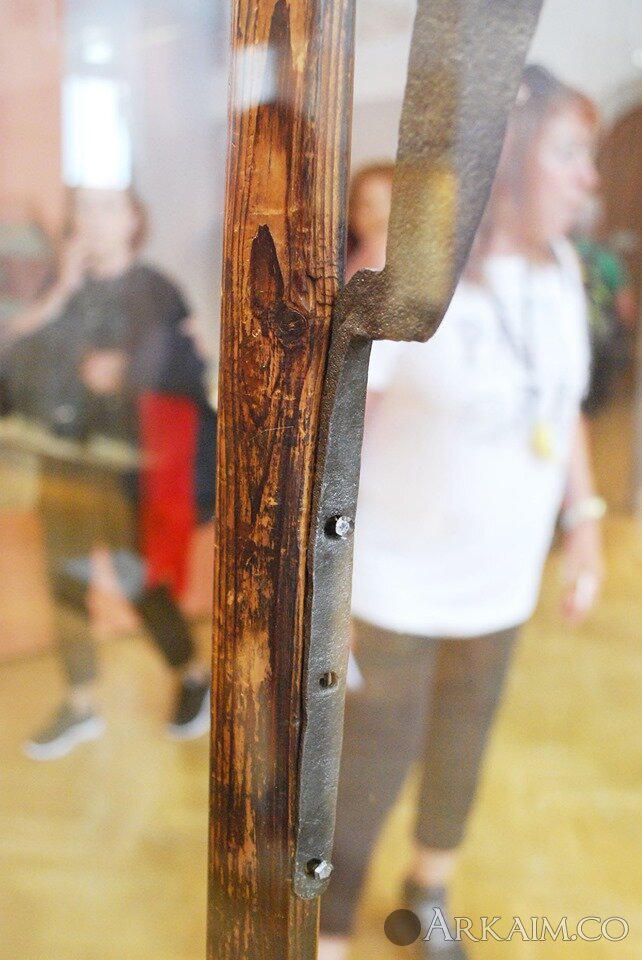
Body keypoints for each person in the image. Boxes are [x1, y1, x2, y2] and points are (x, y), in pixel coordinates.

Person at [318, 65, 604, 960]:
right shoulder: (410, 271)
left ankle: (425, 893)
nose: (589, 177)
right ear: (510, 158)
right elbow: (335, 433)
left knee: (461, 747)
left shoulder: (560, 270)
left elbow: (563, 405)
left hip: (502, 578)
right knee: (367, 766)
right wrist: (322, 578)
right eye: (570, 153)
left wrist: (586, 523)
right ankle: (330, 927)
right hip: (396, 586)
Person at [0, 187, 215, 760]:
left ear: (133, 220)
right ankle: (80, 703)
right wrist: (62, 289)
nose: (95, 219)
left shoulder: (157, 288)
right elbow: (13, 358)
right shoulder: (61, 286)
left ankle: (191, 674)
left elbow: (189, 375)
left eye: (109, 207)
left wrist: (125, 373)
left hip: (133, 468)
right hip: (65, 462)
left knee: (138, 580)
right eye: (86, 210)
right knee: (65, 584)